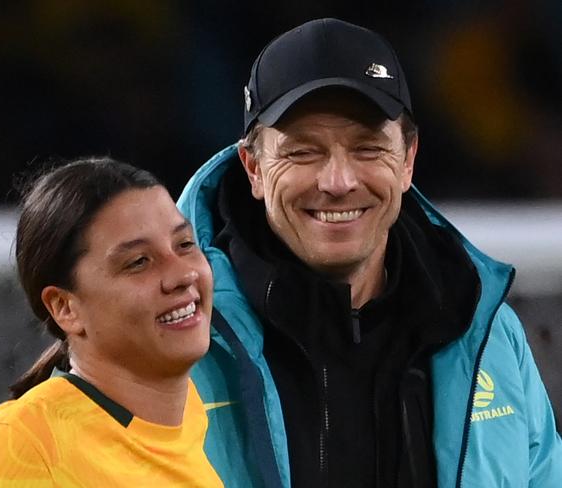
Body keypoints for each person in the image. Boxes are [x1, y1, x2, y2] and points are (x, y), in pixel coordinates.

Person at [178, 18, 562, 487]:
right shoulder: (177, 338)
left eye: (367, 148)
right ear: (254, 168)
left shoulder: (487, 334)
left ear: (408, 159)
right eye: (303, 153)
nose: (338, 182)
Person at [0, 158, 223, 487]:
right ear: (65, 307)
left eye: (184, 244)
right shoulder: (23, 446)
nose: (183, 274)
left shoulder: (199, 421)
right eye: (139, 262)